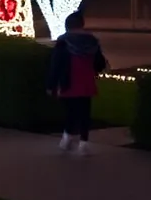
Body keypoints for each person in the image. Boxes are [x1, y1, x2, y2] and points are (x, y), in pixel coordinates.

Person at [46, 11, 108, 156]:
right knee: (85, 112)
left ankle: (67, 138)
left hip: (69, 81)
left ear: (67, 26)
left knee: (70, 111)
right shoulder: (92, 41)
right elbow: (99, 63)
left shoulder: (63, 42)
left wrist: (51, 84)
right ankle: (83, 143)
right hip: (86, 82)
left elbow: (56, 64)